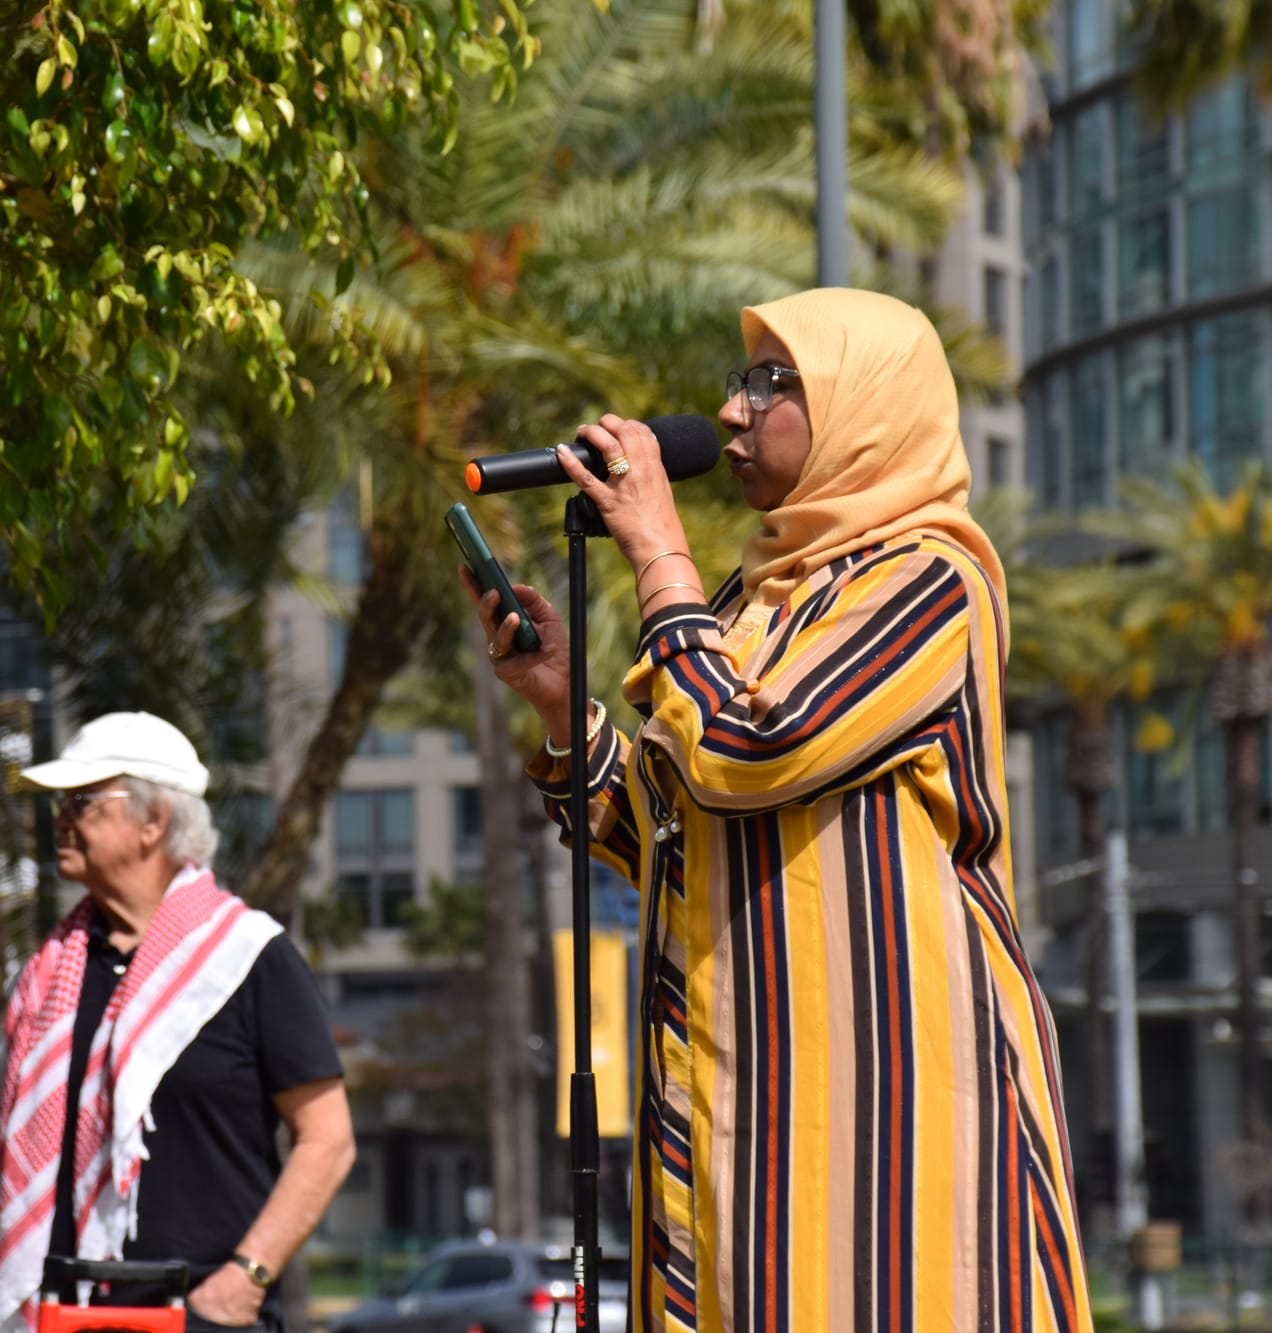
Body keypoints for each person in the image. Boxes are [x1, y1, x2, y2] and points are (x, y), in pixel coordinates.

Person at [466, 288, 1093, 1330]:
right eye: (737, 381)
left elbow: (750, 747)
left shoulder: (929, 579)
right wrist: (560, 707)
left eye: (774, 382)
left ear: (867, 408)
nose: (730, 414)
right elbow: (670, 828)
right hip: (729, 1085)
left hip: (878, 1102)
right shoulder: (737, 605)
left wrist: (658, 553)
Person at [0, 711, 355, 1333]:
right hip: (60, 1316)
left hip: (201, 1314)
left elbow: (329, 1139)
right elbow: (1, 1136)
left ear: (154, 822)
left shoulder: (246, 958)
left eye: (83, 800)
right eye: (61, 802)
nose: (62, 819)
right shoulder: (46, 976)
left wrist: (245, 1280)